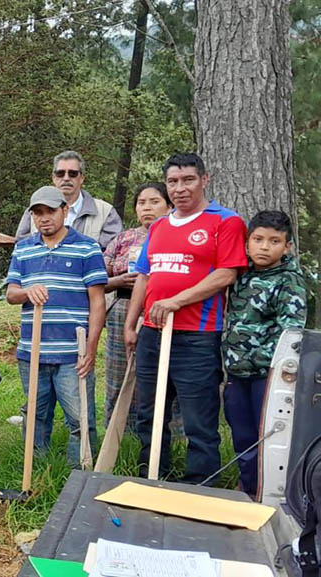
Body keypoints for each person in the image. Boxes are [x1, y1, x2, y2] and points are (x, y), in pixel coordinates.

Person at [124, 153, 248, 484]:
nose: (180, 188)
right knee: (149, 413)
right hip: (152, 333)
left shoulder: (225, 221)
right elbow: (144, 276)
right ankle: (151, 476)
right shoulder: (160, 226)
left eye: (188, 180)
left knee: (199, 419)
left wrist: (175, 301)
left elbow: (226, 274)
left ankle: (199, 485)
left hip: (197, 336)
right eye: (173, 182)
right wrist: (131, 325)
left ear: (204, 180)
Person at [6, 186, 106, 468]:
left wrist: (90, 348)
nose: (44, 218)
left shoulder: (87, 247)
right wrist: (27, 292)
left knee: (79, 417)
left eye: (50, 211)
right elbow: (11, 293)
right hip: (33, 351)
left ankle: (81, 474)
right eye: (37, 213)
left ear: (65, 210)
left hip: (72, 353)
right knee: (35, 415)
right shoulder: (24, 248)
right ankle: (37, 471)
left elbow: (97, 301)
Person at [223, 210, 307, 497]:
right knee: (242, 436)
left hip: (267, 376)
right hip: (237, 372)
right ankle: (247, 490)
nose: (264, 247)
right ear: (247, 243)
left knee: (267, 438)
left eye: (274, 241)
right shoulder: (241, 274)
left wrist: (264, 361)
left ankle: (268, 495)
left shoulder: (289, 281)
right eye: (257, 239)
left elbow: (292, 333)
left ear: (287, 247)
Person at [101, 184, 172, 426]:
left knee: (162, 372)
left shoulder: (176, 235)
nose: (147, 208)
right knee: (119, 371)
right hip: (124, 307)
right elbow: (98, 279)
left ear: (169, 206)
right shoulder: (123, 239)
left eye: (154, 202)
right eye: (142, 203)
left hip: (163, 309)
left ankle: (164, 430)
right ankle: (117, 429)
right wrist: (119, 281)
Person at [14, 151, 123, 249]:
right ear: (54, 178)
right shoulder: (34, 210)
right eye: (60, 173)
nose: (66, 178)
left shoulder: (105, 212)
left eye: (72, 174)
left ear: (81, 178)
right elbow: (22, 247)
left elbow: (114, 253)